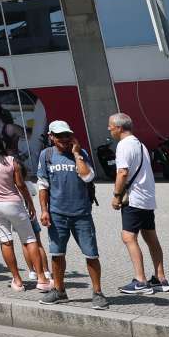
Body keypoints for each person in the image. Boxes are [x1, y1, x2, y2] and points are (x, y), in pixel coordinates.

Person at [36, 120, 106, 309]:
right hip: (57, 214)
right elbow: (43, 185)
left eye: (67, 135)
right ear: (51, 137)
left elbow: (87, 177)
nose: (64, 139)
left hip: (82, 214)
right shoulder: (46, 155)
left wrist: (76, 154)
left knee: (91, 254)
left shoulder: (81, 153)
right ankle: (59, 291)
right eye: (59, 136)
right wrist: (44, 210)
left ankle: (98, 293)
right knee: (57, 254)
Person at [0, 132, 47, 291]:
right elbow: (20, 185)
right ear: (2, 144)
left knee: (6, 241)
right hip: (14, 204)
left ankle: (17, 280)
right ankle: (41, 279)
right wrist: (30, 204)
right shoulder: (11, 161)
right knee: (30, 239)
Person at [109, 113, 169, 295]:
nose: (109, 129)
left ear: (119, 128)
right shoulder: (140, 144)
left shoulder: (123, 145)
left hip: (134, 199)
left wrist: (116, 196)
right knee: (151, 238)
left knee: (128, 237)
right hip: (147, 198)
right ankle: (160, 279)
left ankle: (141, 281)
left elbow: (122, 172)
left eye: (111, 126)